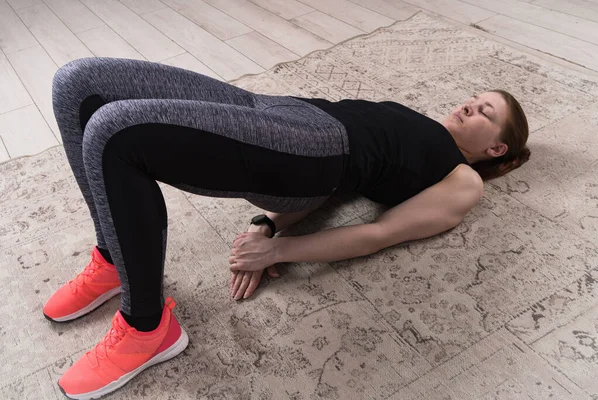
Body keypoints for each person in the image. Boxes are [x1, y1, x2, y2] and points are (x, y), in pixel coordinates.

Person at [43, 57, 530, 399]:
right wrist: (266, 225)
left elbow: (380, 232)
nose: (470, 106)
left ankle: (148, 326)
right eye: (474, 98)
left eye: (487, 112)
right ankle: (115, 258)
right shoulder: (423, 128)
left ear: (497, 150)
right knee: (78, 85)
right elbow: (339, 197)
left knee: (115, 131)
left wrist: (280, 252)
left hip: (316, 149)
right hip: (289, 108)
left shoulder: (463, 180)